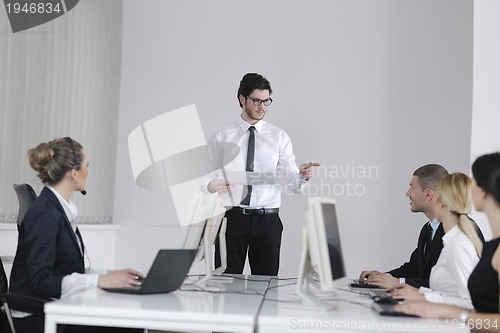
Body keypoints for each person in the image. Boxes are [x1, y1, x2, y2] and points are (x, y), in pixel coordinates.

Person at [9, 138, 144, 333]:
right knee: (129, 325)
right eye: (87, 166)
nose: (88, 171)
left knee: (125, 319)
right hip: (36, 319)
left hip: (49, 308)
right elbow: (41, 281)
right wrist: (98, 282)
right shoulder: (45, 214)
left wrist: (108, 275)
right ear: (74, 173)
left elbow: (63, 270)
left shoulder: (56, 209)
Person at [202, 73, 319, 276]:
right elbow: (204, 179)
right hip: (232, 220)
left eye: (266, 101)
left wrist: (302, 176)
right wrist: (213, 185)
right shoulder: (222, 136)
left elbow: (293, 183)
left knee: (266, 288)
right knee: (226, 286)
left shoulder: (279, 137)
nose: (262, 107)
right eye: (256, 100)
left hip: (267, 222)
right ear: (242, 99)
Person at [395, 152, 500, 332]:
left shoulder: (462, 244)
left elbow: (491, 319)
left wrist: (444, 309)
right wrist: (422, 296)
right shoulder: (491, 247)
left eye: (474, 182)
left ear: (484, 190)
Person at [390, 173, 482, 308]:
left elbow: (470, 302)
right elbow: (446, 293)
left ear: (442, 203)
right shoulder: (450, 240)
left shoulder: (457, 246)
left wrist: (420, 295)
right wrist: (416, 292)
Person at [359, 164, 450, 289]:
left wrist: (399, 283)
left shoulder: (456, 232)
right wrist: (383, 277)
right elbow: (413, 268)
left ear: (428, 194)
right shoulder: (428, 229)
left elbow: (445, 286)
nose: (407, 193)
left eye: (412, 187)